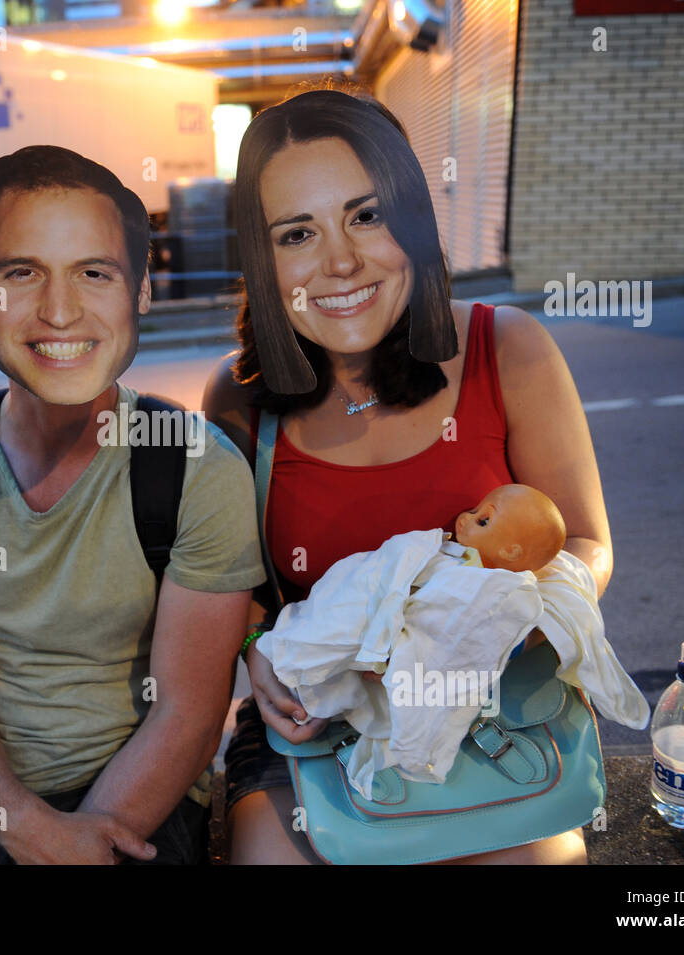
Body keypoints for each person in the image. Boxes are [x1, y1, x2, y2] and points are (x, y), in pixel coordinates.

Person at [202, 88, 613, 865]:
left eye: (365, 215)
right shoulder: (236, 396)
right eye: (297, 233)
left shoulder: (510, 348)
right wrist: (258, 650)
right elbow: (239, 596)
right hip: (316, 730)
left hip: (494, 715)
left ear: (413, 217)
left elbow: (586, 542)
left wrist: (503, 624)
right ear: (265, 258)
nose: (341, 262)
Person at [0, 145, 266, 864]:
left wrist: (85, 840)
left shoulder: (197, 470)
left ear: (142, 291)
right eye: (22, 273)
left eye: (95, 273)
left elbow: (188, 707)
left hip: (141, 790)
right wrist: (22, 822)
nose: (59, 311)